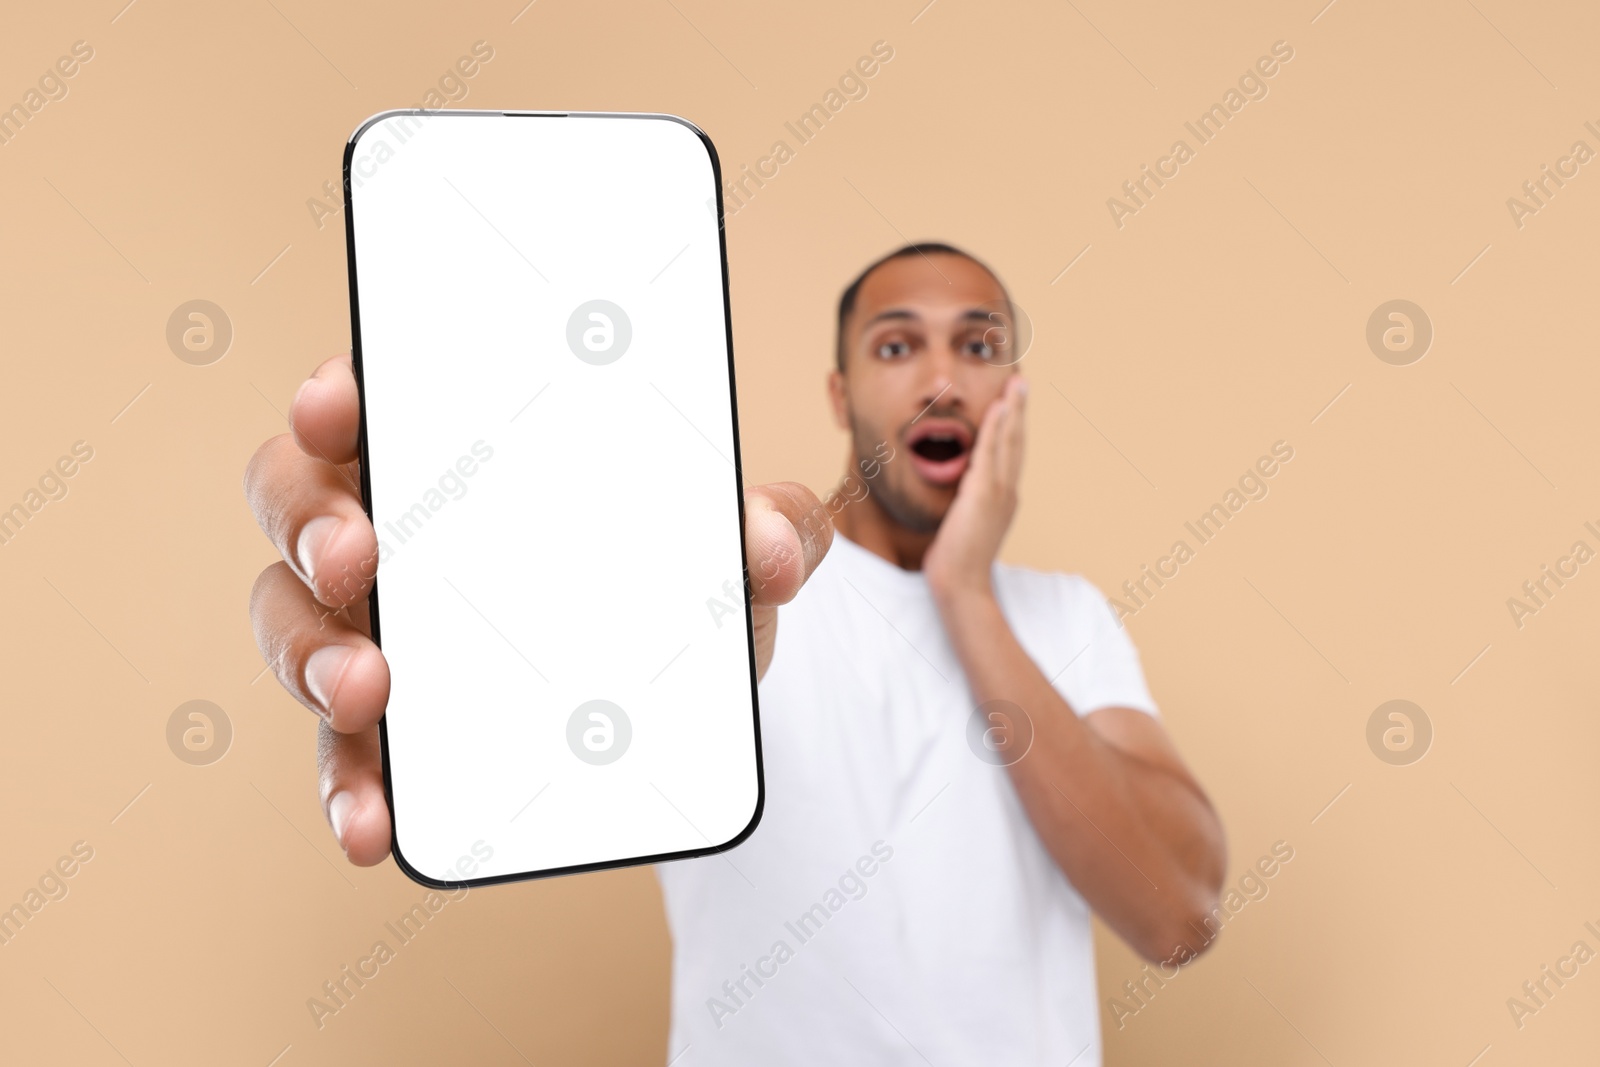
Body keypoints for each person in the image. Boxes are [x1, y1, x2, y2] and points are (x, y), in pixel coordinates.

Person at [245, 241, 1226, 1066]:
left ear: (1010, 390)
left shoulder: (1069, 619)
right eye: (897, 345)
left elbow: (1176, 914)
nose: (939, 378)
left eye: (977, 345)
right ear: (840, 394)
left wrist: (965, 591)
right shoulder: (739, 585)